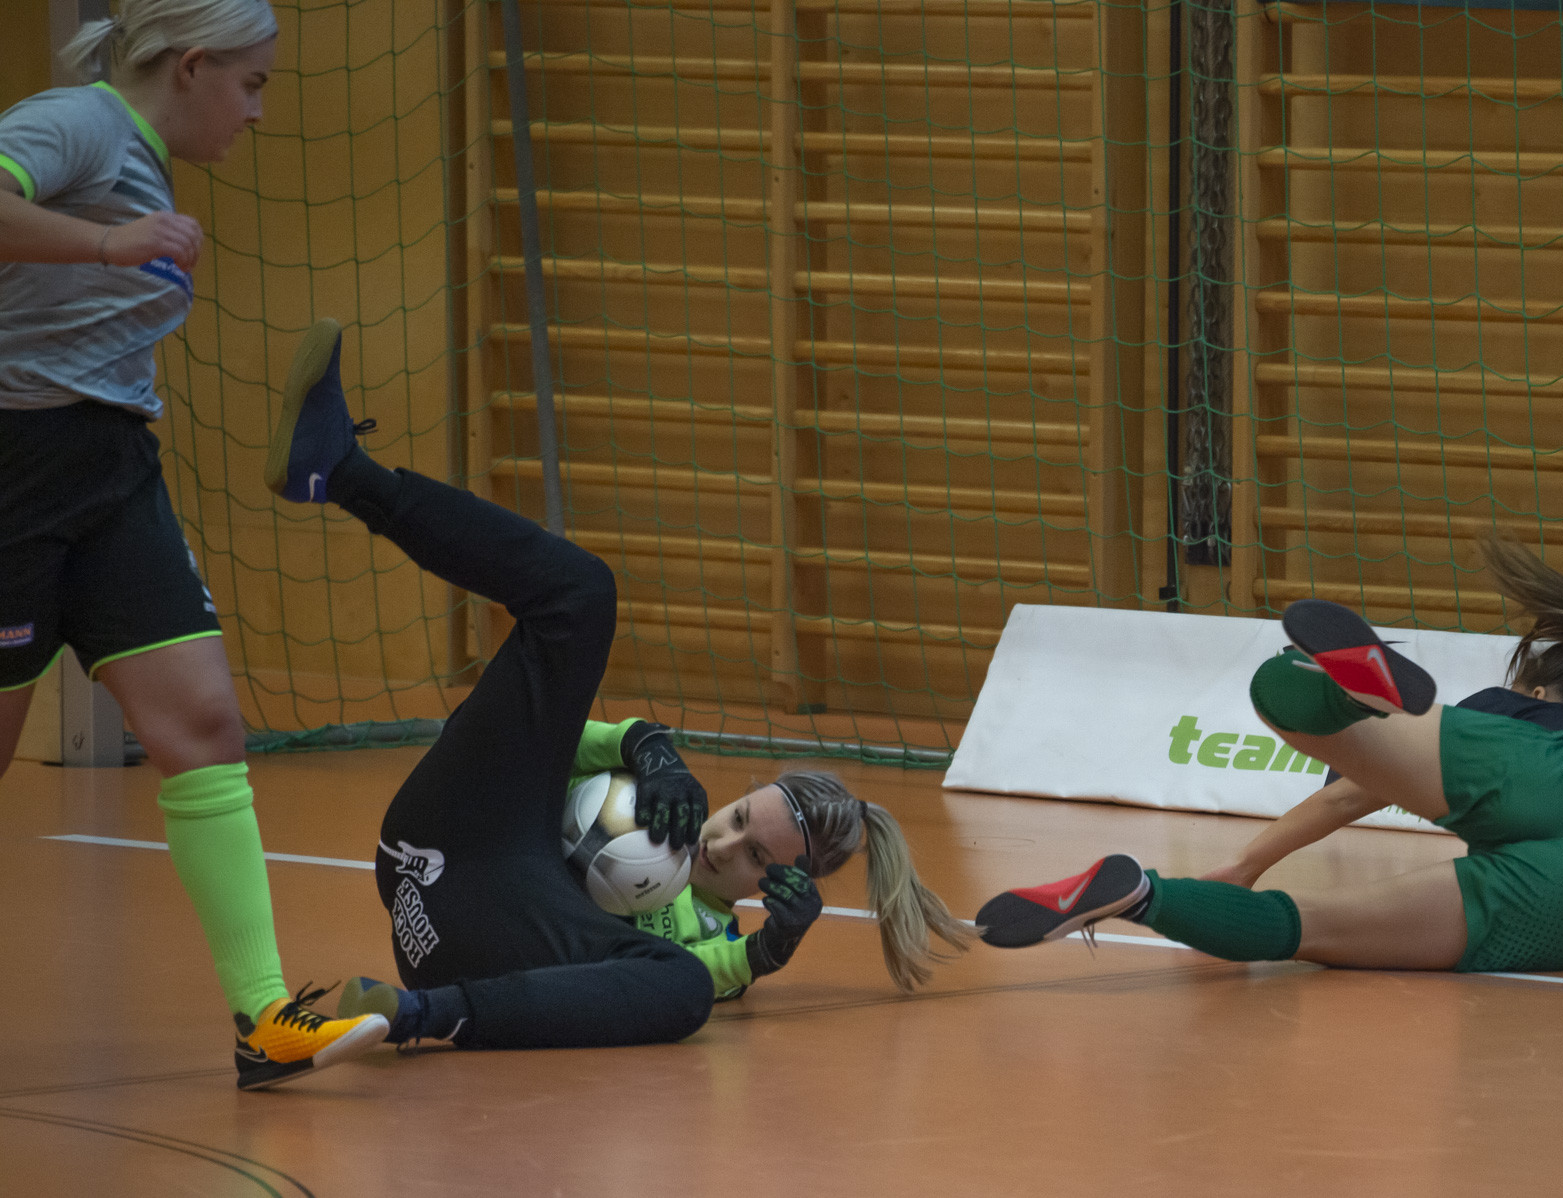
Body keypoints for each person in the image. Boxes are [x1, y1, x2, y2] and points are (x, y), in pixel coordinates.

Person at [261, 320, 973, 1050]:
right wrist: (648, 748)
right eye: (736, 818)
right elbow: (555, 746)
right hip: (441, 840)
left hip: (481, 941)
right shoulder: (652, 796)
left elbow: (711, 973)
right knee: (583, 593)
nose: (722, 844)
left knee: (683, 989)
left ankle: (411, 1016)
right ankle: (339, 470)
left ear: (778, 886)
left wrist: (766, 950)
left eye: (757, 858)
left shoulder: (711, 933)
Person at [0, 0, 387, 1089]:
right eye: (251, 85)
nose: (258, 111)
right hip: (16, 471)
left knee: (206, 725)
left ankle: (264, 1017)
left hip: (113, 471)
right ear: (194, 64)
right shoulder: (77, 123)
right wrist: (109, 242)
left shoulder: (143, 158)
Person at [976, 539, 1563, 974]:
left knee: (1281, 693)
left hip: (1545, 777)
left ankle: (1342, 696)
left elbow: (1351, 792)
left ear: (1533, 690)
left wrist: (1246, 861)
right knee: (1309, 930)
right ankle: (1142, 896)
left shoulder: (1523, 716)